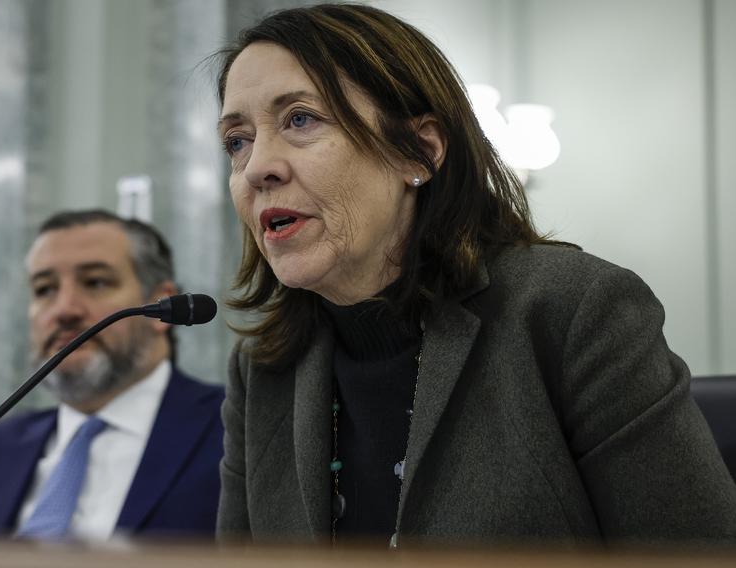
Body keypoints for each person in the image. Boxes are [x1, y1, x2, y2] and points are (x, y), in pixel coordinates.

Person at [214, 3, 736, 547]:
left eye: (300, 118)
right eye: (237, 141)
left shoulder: (574, 311)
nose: (256, 168)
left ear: (420, 151)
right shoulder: (263, 367)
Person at [0, 209, 223, 541]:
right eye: (44, 289)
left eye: (95, 282)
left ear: (160, 306)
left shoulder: (239, 432)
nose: (65, 309)